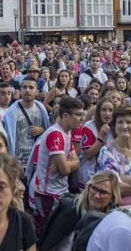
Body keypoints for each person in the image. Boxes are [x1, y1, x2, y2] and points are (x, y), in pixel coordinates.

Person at [29, 96, 83, 231]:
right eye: (78, 115)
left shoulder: (67, 132)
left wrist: (65, 162)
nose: (82, 118)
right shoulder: (55, 134)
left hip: (61, 191)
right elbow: (65, 169)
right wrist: (65, 163)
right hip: (47, 195)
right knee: (49, 234)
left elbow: (77, 163)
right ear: (65, 115)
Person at [37, 171, 121, 251]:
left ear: (112, 197)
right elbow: (48, 242)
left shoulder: (111, 223)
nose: (97, 195)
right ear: (88, 188)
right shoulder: (68, 209)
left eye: (103, 192)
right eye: (94, 188)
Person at [3, 76, 50, 171]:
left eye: (31, 87)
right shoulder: (10, 112)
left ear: (37, 91)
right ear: (20, 91)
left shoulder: (42, 110)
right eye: (24, 87)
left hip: (38, 162)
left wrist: (43, 130)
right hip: (18, 163)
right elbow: (6, 138)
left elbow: (49, 132)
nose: (27, 90)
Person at [78, 97, 114, 189]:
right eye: (104, 110)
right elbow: (88, 155)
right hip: (88, 176)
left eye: (110, 110)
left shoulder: (114, 128)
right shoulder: (89, 127)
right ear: (98, 112)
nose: (107, 114)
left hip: (105, 177)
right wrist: (100, 137)